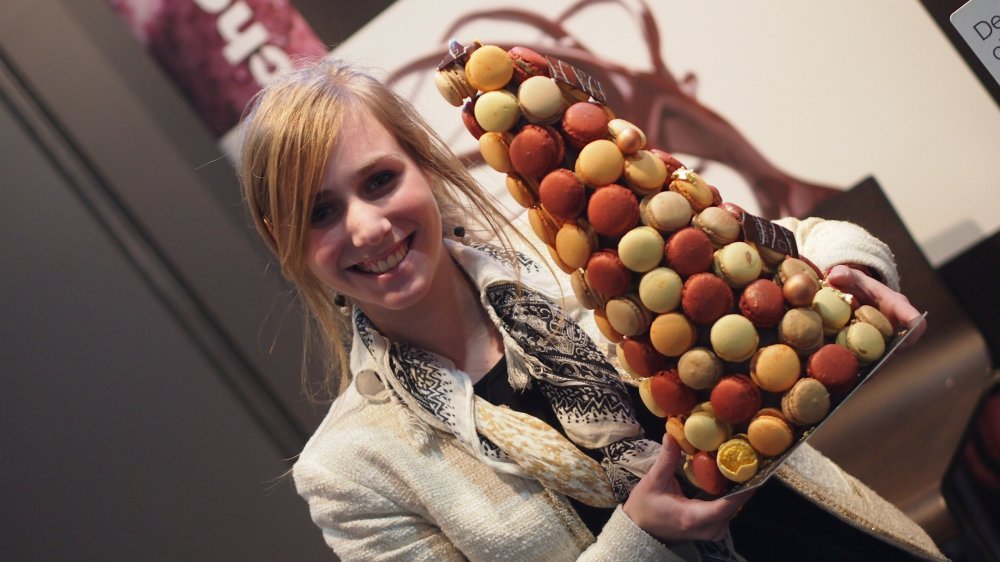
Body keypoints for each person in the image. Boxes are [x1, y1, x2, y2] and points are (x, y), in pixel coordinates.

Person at [239, 58, 937, 561]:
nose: (367, 229)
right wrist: (641, 539)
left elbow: (786, 248)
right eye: (320, 211)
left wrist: (851, 273)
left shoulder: (570, 251)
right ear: (284, 241)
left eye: (381, 180)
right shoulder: (351, 470)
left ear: (424, 167)